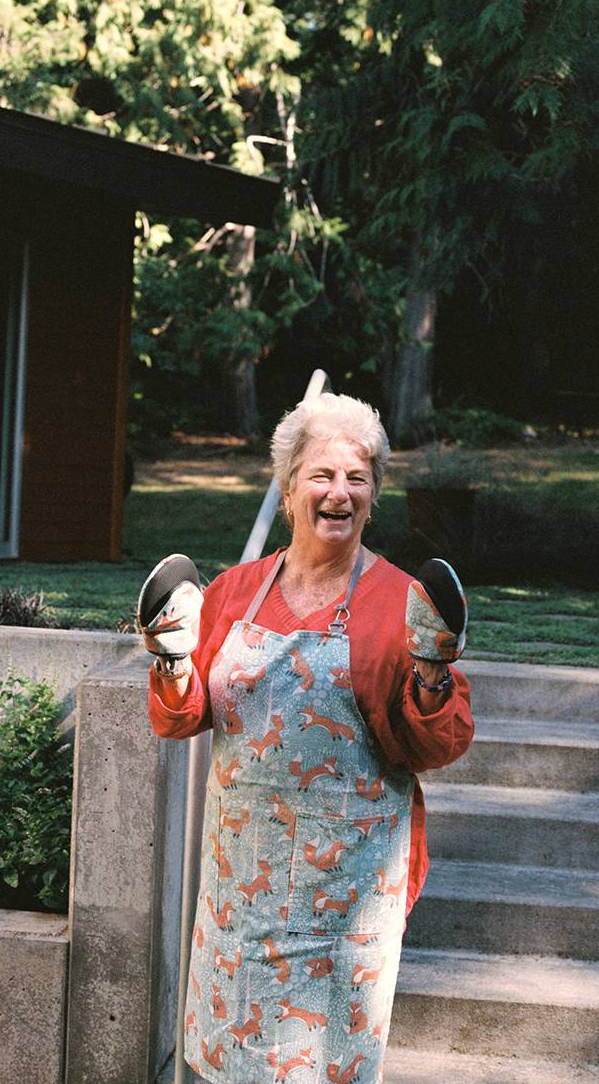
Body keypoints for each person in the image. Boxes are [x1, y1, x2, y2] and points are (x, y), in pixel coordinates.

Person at [142, 393, 474, 1084]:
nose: (340, 493)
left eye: (358, 478)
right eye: (322, 475)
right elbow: (183, 716)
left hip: (343, 909)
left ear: (374, 495)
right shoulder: (234, 592)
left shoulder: (400, 603)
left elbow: (438, 744)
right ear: (289, 486)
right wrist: (173, 660)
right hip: (238, 895)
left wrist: (433, 674)